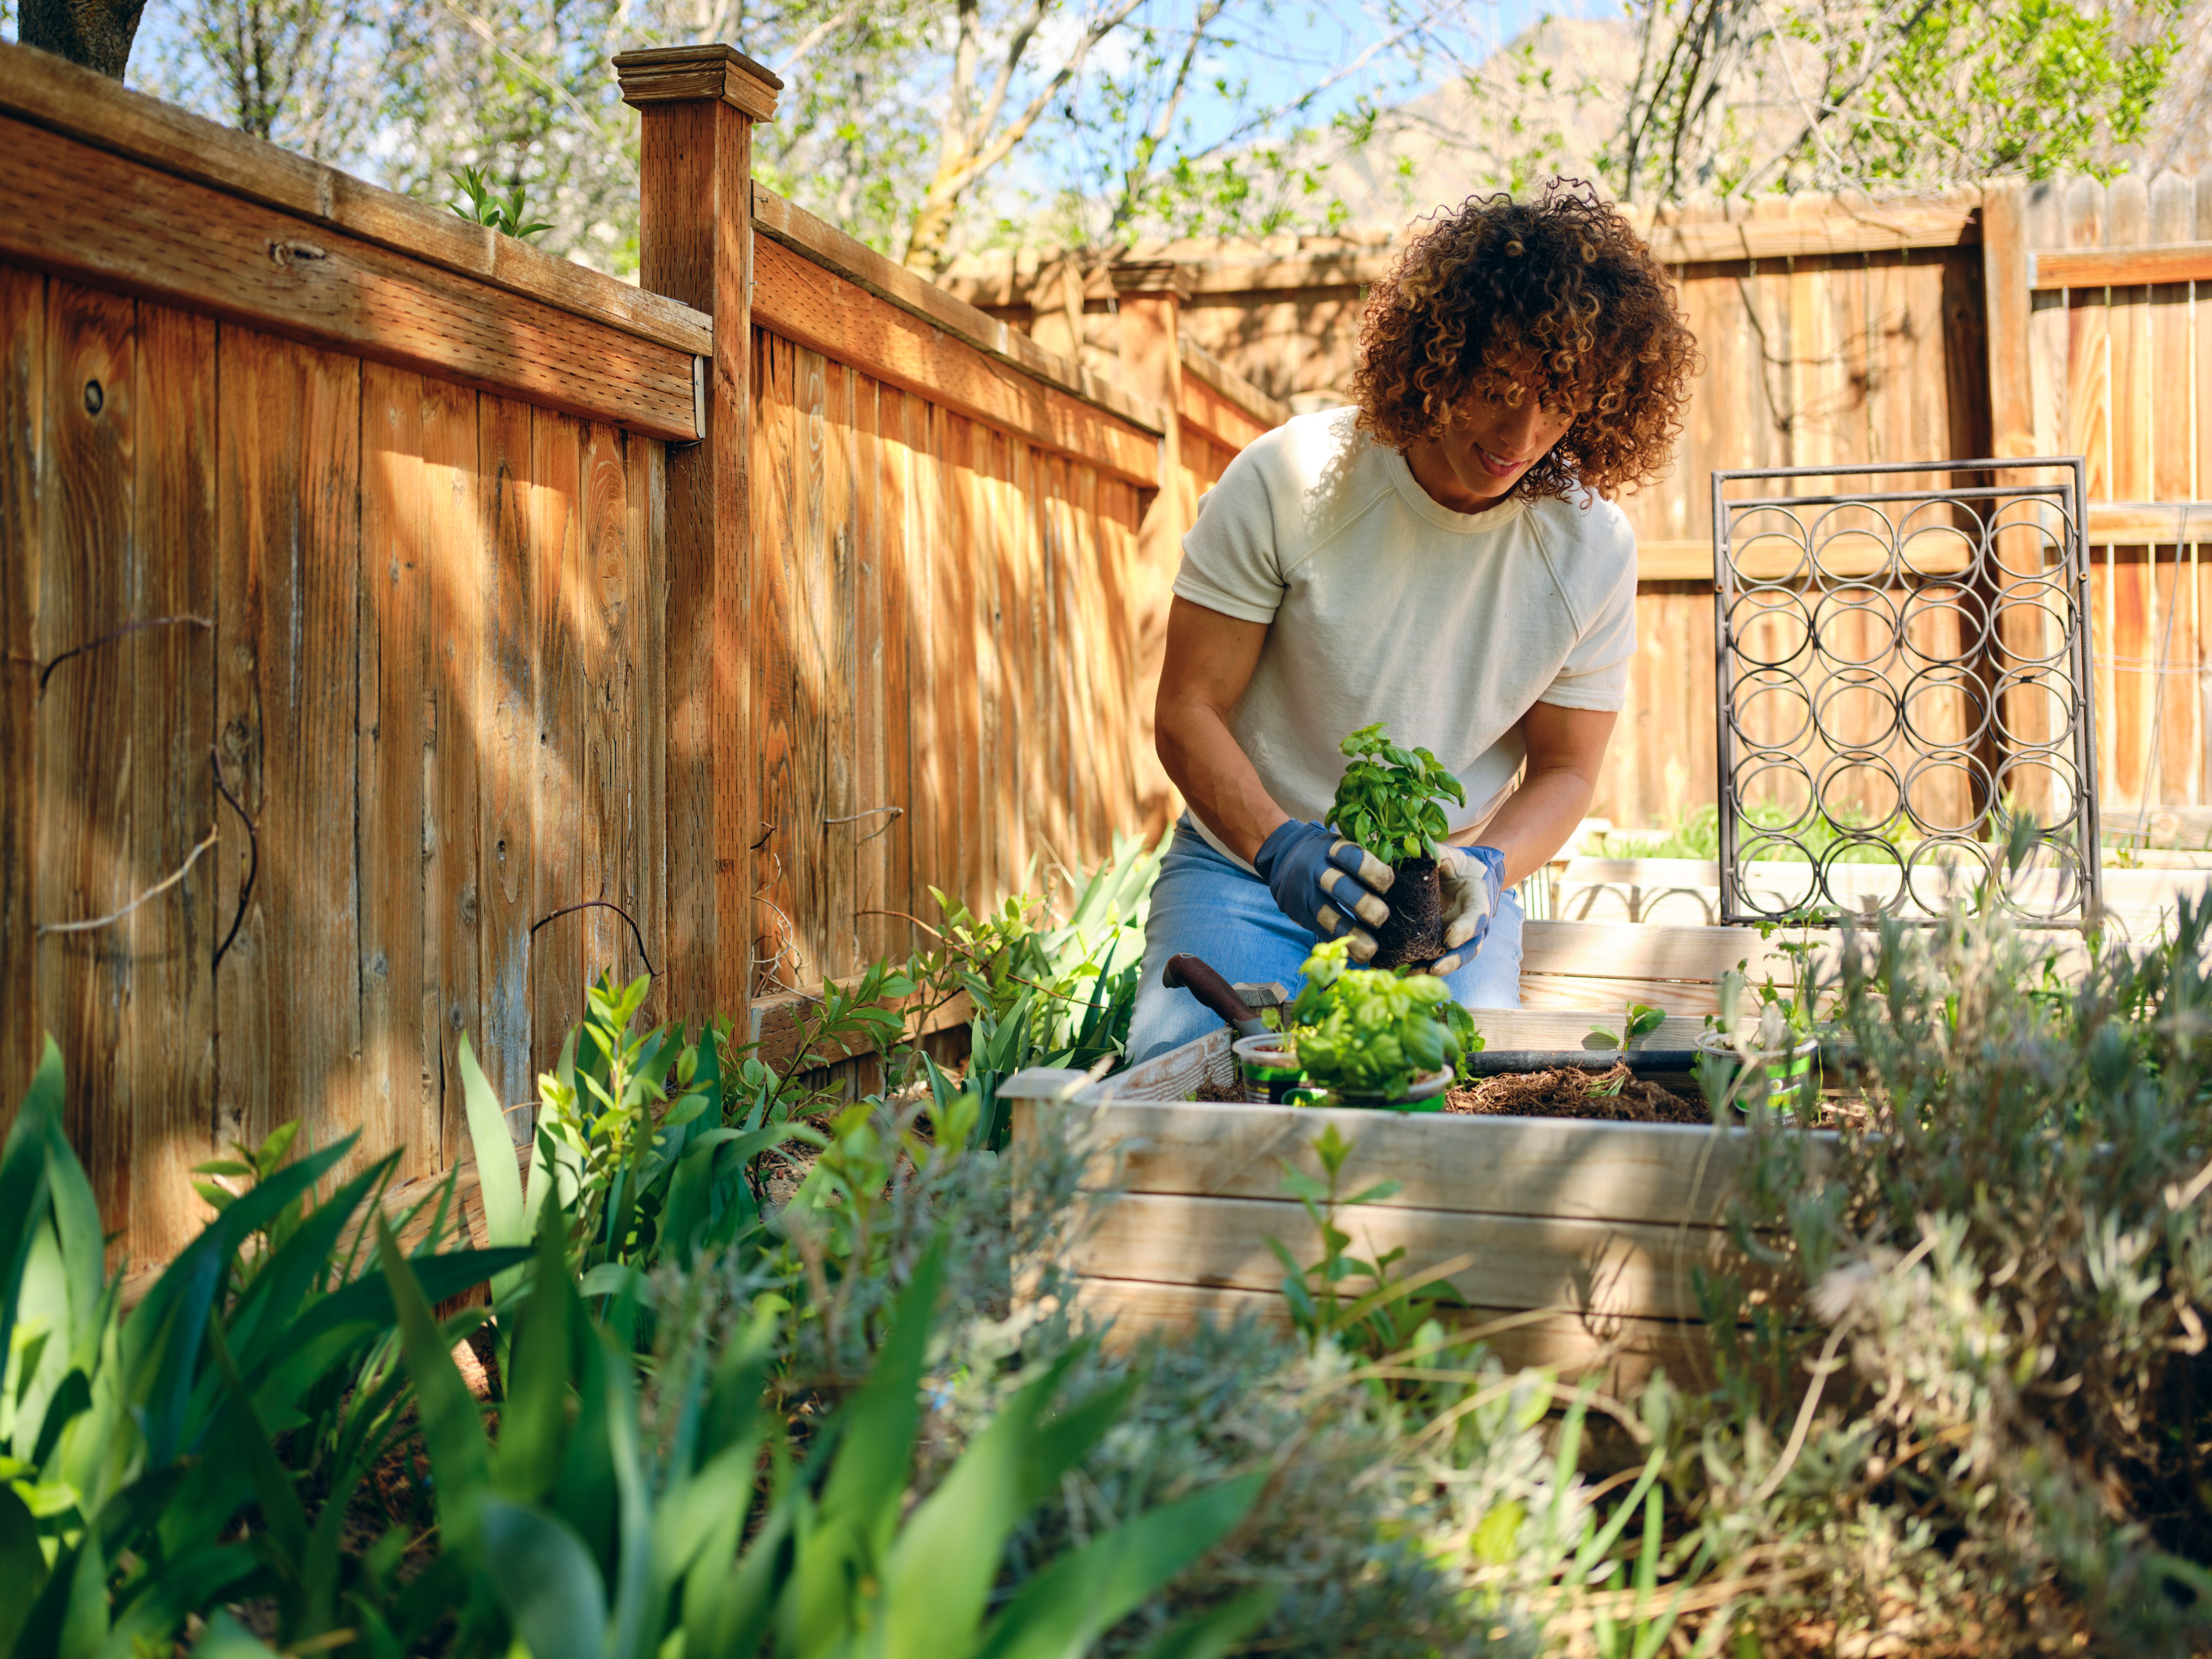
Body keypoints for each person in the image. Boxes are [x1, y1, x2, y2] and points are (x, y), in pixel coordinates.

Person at [1126, 179, 1698, 1063]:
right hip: (1244, 872)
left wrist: (1489, 869)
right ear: (1439, 359)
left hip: (1441, 901)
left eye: (1560, 400)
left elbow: (1567, 771)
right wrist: (1280, 847)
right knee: (1191, 1087)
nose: (1523, 430)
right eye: (1500, 385)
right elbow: (1186, 711)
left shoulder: (1591, 548)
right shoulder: (1291, 481)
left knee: (1446, 1095)